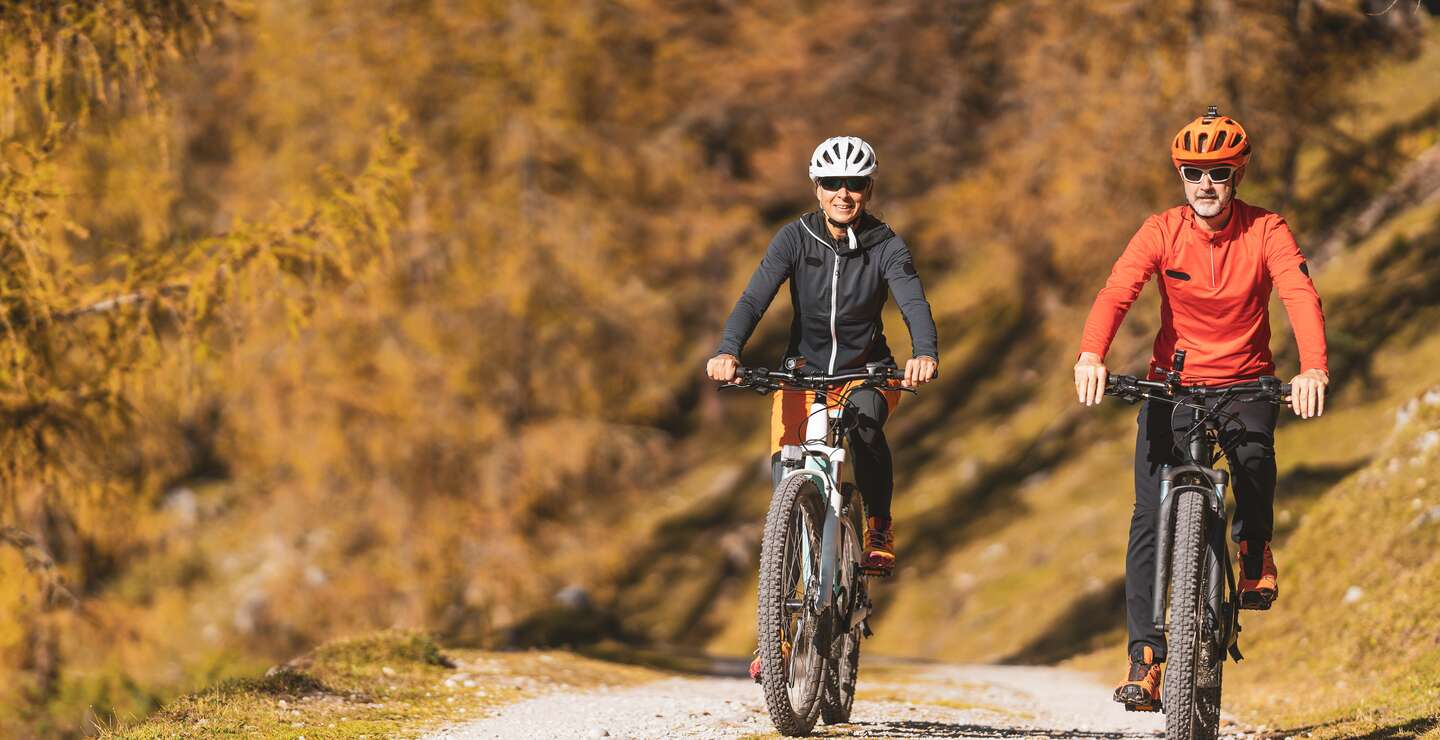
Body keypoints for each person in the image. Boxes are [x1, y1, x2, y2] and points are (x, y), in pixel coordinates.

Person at [1072, 107, 1329, 710]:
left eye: (1217, 173)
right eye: (1193, 172)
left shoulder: (1266, 230)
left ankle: (1254, 547)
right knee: (1147, 514)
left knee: (1255, 460)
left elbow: (1299, 293)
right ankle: (1145, 659)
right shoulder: (1160, 230)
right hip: (1173, 385)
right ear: (1181, 176)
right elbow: (1117, 291)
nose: (1204, 184)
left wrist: (1313, 367)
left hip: (1245, 382)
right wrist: (1090, 355)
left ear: (1237, 175)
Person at [707, 136, 938, 678]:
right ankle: (779, 635)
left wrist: (925, 352)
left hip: (867, 373)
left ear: (869, 189)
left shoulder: (886, 244)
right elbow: (754, 297)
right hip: (802, 376)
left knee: (866, 426)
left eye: (854, 184)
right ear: (816, 187)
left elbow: (912, 300)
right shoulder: (795, 237)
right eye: (832, 183)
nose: (843, 193)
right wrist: (728, 349)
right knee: (785, 484)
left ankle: (878, 524)